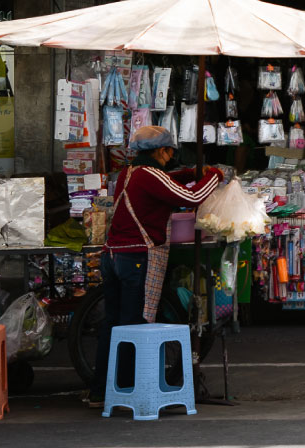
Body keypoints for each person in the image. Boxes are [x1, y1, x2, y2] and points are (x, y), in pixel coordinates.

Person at [88, 125, 222, 406]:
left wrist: (187, 174)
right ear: (163, 151)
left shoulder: (130, 172)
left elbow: (168, 183)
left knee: (113, 325)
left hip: (112, 256)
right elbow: (192, 198)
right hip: (135, 258)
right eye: (169, 153)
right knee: (132, 326)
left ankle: (101, 391)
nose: (170, 158)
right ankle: (125, 389)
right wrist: (214, 177)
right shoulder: (150, 175)